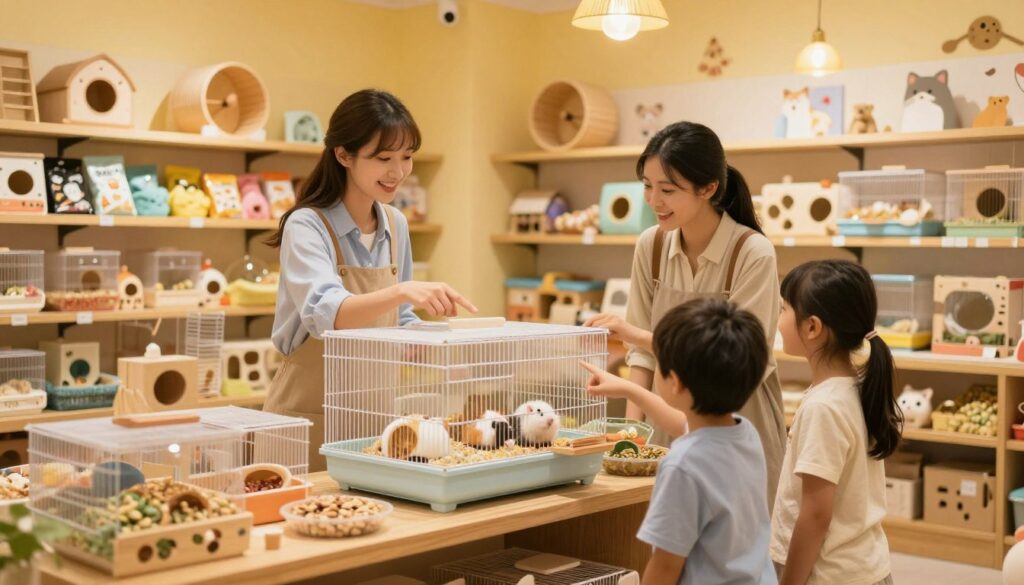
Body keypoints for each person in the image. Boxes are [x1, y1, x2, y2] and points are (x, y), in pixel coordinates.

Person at [266, 89, 476, 471]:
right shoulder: (307, 225)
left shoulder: (396, 224)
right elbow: (329, 316)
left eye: (406, 157)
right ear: (343, 155)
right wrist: (401, 291)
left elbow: (399, 320)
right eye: (383, 158)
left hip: (374, 420)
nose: (398, 172)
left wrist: (441, 343)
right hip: (306, 421)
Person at [584, 121, 785, 507]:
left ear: (708, 188)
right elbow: (640, 356)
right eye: (647, 186)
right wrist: (633, 434)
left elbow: (740, 362)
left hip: (737, 423)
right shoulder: (651, 246)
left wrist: (638, 336)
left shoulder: (752, 253)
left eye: (668, 190)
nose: (654, 200)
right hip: (666, 418)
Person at [582, 298, 776, 585]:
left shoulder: (682, 465)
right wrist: (629, 389)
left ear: (674, 381)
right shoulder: (743, 432)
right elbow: (681, 422)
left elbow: (665, 566)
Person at [771, 260, 901, 585]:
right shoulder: (853, 388)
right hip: (864, 568)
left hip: (830, 576)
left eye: (784, 309)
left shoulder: (824, 407)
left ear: (812, 327)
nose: (779, 319)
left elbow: (816, 514)